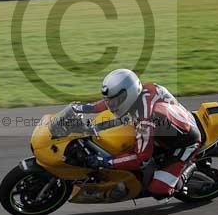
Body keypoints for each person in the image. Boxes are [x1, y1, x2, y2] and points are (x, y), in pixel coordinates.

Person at [71, 68, 203, 198]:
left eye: (115, 100)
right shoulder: (140, 92)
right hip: (168, 127)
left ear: (129, 93)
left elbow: (141, 157)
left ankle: (186, 170)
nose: (111, 104)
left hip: (185, 141)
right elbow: (108, 102)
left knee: (159, 190)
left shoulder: (145, 119)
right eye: (109, 99)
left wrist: (105, 161)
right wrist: (81, 108)